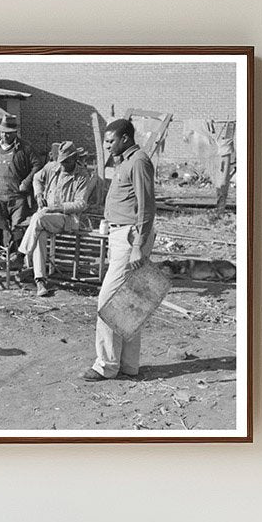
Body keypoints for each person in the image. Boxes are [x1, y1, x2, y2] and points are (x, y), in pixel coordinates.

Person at [82, 119, 156, 381]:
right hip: (120, 235)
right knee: (129, 302)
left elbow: (147, 207)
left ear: (125, 138)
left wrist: (137, 245)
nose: (107, 145)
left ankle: (106, 364)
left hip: (130, 237)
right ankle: (128, 366)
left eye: (111, 141)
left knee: (109, 301)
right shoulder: (125, 161)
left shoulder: (138, 161)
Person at [17, 141, 94, 297]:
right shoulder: (52, 167)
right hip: (47, 217)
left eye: (66, 161)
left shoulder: (82, 176)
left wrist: (56, 208)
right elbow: (37, 178)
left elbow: (81, 204)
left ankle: (20, 255)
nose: (63, 164)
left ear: (75, 158)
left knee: (38, 218)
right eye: (61, 161)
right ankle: (40, 281)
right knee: (39, 234)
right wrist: (39, 195)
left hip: (68, 218)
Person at [0, 114, 37, 256]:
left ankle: (17, 258)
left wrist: (26, 182)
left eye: (8, 133)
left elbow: (37, 165)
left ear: (15, 133)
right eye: (2, 132)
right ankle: (2, 257)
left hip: (17, 198)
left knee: (18, 228)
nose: (4, 135)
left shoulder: (25, 148)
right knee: (1, 227)